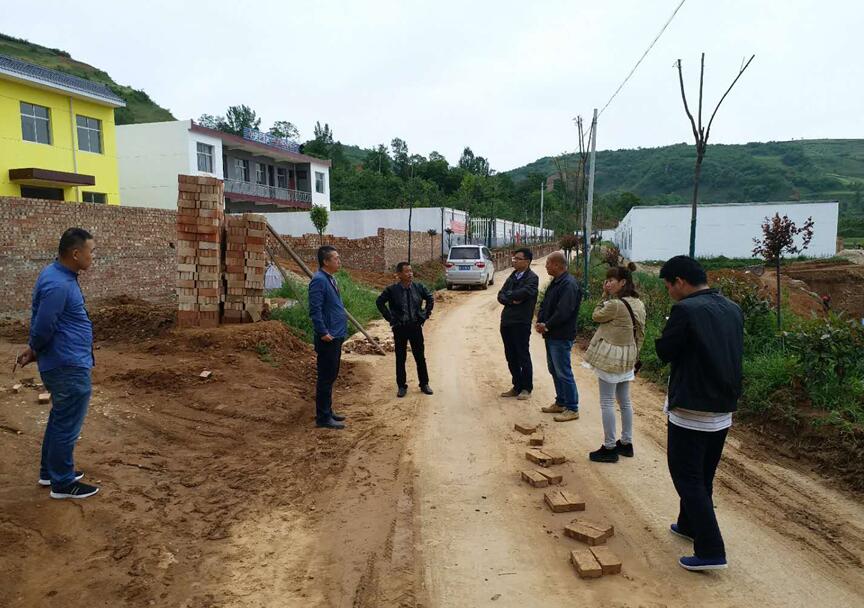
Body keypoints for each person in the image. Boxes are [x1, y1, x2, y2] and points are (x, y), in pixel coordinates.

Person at [655, 255, 743, 572]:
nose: (670, 293)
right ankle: (688, 523)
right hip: (723, 405)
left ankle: (711, 549)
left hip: (692, 407)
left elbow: (666, 351)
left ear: (680, 281)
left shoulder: (685, 310)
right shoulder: (732, 308)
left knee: (687, 477)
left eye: (669, 286)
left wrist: (666, 333)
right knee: (703, 474)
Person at [16, 228, 99, 499]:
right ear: (76, 254)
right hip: (67, 364)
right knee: (67, 423)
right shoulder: (59, 284)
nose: (93, 256)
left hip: (64, 360)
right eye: (90, 251)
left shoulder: (57, 275)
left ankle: (49, 472)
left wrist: (35, 350)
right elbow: (43, 325)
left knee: (60, 417)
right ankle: (62, 483)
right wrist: (35, 348)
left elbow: (46, 322)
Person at [584, 263, 646, 463]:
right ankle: (626, 443)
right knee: (625, 401)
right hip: (629, 355)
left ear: (623, 282)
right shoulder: (638, 303)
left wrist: (604, 295)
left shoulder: (614, 305)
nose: (607, 284)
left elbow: (596, 315)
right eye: (607, 280)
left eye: (611, 280)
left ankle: (609, 447)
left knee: (607, 401)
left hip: (611, 356)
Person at [535, 251, 582, 422]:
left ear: (557, 265)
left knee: (563, 371)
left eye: (548, 263)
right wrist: (540, 321)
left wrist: (547, 325)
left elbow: (564, 311)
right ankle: (561, 402)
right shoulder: (556, 282)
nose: (546, 266)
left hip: (561, 335)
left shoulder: (568, 284)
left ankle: (572, 407)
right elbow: (545, 304)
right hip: (551, 334)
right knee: (554, 369)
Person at [376, 262, 435, 398]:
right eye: (407, 271)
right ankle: (401, 386)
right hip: (400, 328)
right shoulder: (392, 290)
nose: (410, 274)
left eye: (411, 271)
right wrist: (390, 318)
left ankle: (424, 384)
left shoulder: (418, 287)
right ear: (399, 274)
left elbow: (430, 298)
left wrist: (425, 314)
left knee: (420, 356)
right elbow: (379, 302)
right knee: (400, 357)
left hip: (415, 326)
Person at [308, 245, 349, 429]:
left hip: (336, 334)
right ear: (325, 261)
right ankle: (323, 418)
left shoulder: (330, 279)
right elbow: (315, 309)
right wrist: (323, 332)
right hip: (328, 337)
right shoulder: (319, 280)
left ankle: (328, 411)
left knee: (331, 375)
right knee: (325, 377)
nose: (339, 261)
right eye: (335, 258)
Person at [497, 248, 539, 400]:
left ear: (527, 261)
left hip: (521, 322)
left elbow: (525, 293)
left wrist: (510, 295)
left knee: (522, 355)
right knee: (510, 355)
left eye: (518, 258)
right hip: (507, 321)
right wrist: (512, 299)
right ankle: (517, 385)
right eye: (514, 258)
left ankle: (526, 387)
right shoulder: (512, 276)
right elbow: (500, 295)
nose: (514, 261)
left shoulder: (532, 278)